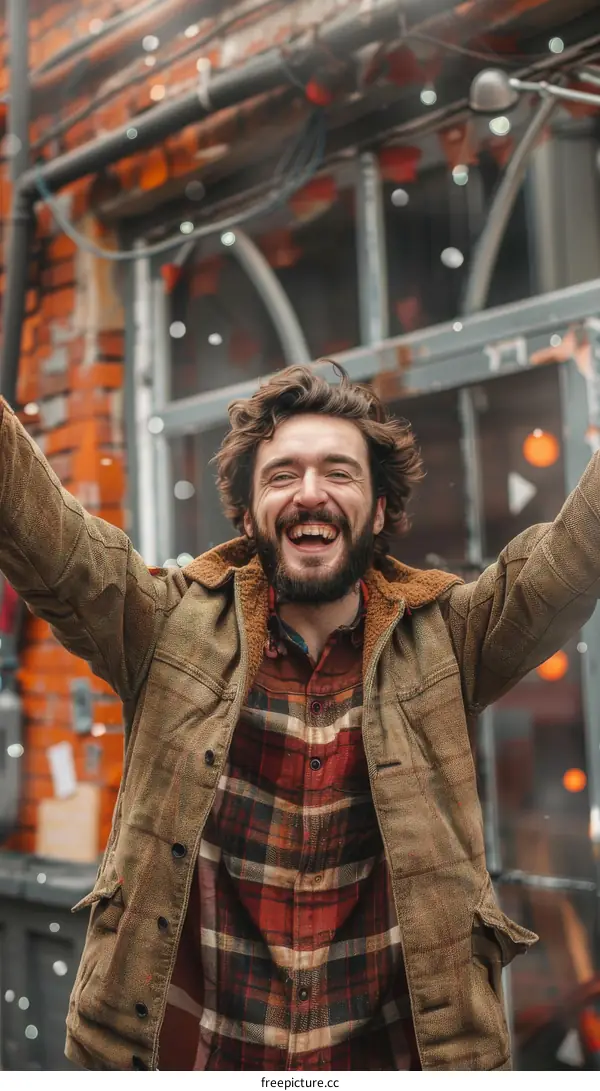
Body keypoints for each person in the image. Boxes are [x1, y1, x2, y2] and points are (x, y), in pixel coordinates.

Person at [0, 364, 598, 1073]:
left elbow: (570, 559)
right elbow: (46, 535)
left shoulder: (451, 638)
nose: (310, 492)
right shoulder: (165, 627)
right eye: (282, 474)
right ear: (250, 516)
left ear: (378, 511)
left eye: (338, 472)